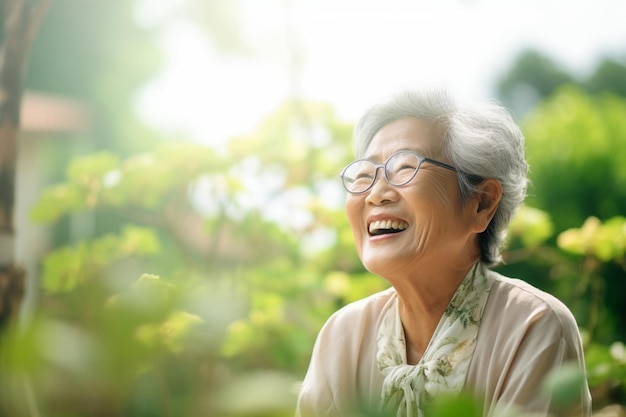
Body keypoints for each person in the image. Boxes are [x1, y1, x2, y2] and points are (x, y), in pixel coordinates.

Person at [296, 87, 592, 417]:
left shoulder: (531, 326)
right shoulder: (344, 336)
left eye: (405, 167)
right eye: (365, 175)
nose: (375, 194)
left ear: (481, 203)